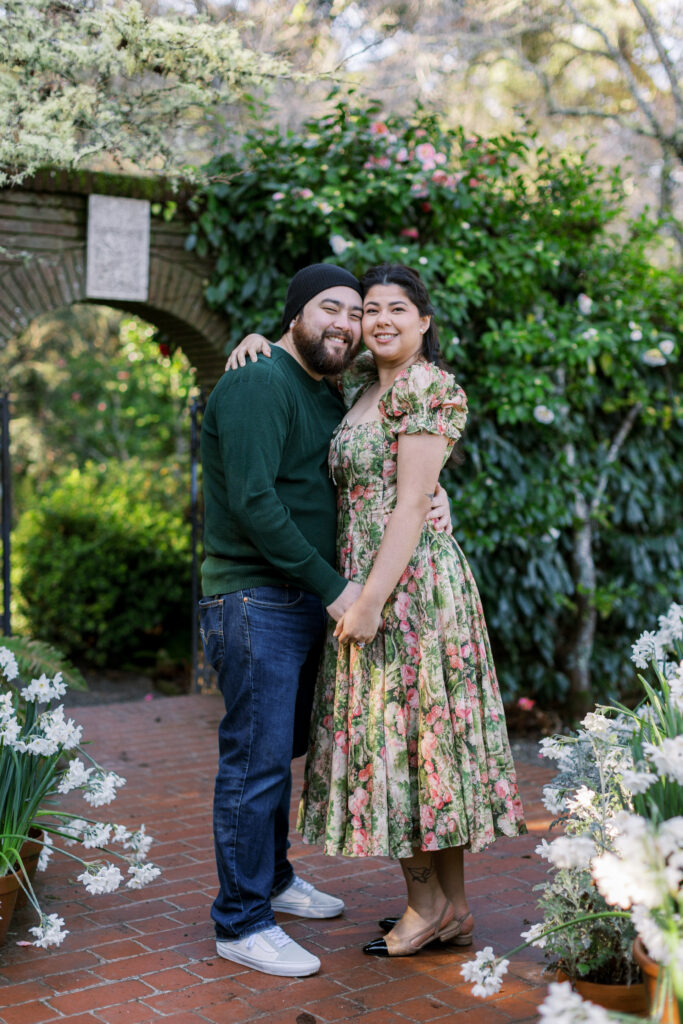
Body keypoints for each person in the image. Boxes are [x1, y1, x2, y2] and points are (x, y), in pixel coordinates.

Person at [232, 263, 526, 959]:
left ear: (425, 321)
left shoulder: (424, 389)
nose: (381, 320)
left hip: (406, 590)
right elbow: (307, 346)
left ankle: (422, 908)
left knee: (402, 744)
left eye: (398, 308)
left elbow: (408, 507)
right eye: (370, 309)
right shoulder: (363, 383)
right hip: (372, 582)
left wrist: (367, 602)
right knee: (418, 746)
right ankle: (449, 907)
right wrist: (255, 337)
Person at [200, 263, 452, 978]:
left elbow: (379, 469)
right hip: (254, 599)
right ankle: (241, 921)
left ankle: (272, 881)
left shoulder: (326, 389)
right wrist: (336, 589)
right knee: (253, 764)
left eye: (356, 312)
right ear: (293, 314)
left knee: (273, 758)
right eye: (330, 308)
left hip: (299, 598)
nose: (345, 323)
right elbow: (252, 501)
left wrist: (437, 497)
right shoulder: (258, 380)